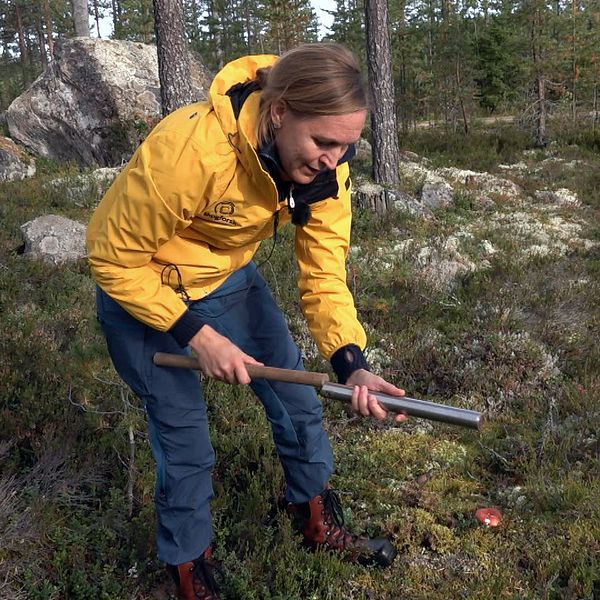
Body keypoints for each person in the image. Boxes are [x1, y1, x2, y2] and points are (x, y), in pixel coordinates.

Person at [86, 42, 406, 600]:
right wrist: (196, 335)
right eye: (323, 141)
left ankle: (313, 521)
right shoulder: (191, 149)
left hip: (228, 281)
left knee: (301, 403)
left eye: (346, 145)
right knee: (186, 445)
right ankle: (188, 574)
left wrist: (350, 363)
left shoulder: (325, 173)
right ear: (279, 111)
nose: (333, 157)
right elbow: (113, 258)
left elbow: (325, 275)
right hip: (140, 294)